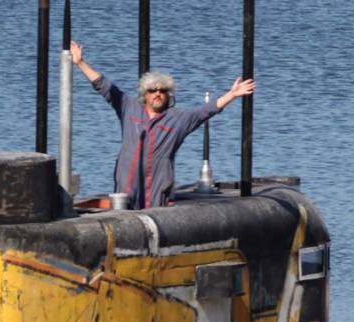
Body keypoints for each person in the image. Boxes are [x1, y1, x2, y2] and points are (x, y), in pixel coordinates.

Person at [68, 39, 255, 209]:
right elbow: (104, 86)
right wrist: (80, 63)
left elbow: (207, 110)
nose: (157, 93)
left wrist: (231, 94)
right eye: (152, 90)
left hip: (157, 186)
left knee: (153, 212)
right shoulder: (129, 108)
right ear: (145, 94)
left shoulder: (179, 118)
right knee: (121, 209)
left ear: (168, 94)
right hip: (127, 183)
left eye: (162, 90)